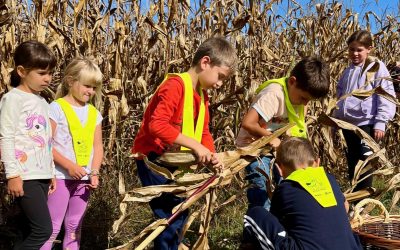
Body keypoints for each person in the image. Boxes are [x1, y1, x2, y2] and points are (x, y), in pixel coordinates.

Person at [131, 36, 237, 249]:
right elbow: (156, 125)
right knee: (169, 215)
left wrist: (210, 154)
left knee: (180, 211)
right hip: (153, 159)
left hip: (174, 163)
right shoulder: (175, 86)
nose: (219, 84)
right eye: (220, 77)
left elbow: (203, 131)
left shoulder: (202, 96)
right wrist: (195, 146)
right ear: (205, 62)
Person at [235, 57, 330, 209]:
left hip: (278, 148)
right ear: (292, 82)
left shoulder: (299, 99)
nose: (305, 104)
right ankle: (261, 221)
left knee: (287, 187)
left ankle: (282, 222)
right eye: (303, 98)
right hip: (254, 148)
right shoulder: (273, 95)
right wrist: (271, 139)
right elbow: (248, 123)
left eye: (309, 100)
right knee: (261, 186)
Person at [242, 137, 363, 250]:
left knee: (254, 213)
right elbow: (346, 207)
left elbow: (278, 222)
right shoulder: (329, 179)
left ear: (279, 169)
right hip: (350, 247)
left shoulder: (285, 188)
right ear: (317, 162)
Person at [41, 58, 104, 250]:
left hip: (83, 179)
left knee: (74, 226)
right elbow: (46, 143)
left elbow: (98, 147)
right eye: (86, 85)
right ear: (70, 82)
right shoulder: (56, 108)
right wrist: (69, 166)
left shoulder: (94, 113)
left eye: (94, 87)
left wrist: (94, 172)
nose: (90, 91)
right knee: (52, 227)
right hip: (59, 177)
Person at [0, 40, 57, 249]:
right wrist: (12, 175)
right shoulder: (13, 99)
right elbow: (6, 137)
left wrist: (50, 171)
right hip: (25, 175)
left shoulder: (42, 102)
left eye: (50, 73)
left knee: (27, 231)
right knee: (43, 230)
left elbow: (46, 142)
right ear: (22, 71)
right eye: (42, 73)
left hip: (40, 175)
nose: (48, 79)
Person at [334, 30, 396, 191]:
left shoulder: (376, 67)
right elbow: (340, 96)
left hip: (367, 124)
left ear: (369, 49)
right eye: (351, 49)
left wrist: (380, 122)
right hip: (348, 125)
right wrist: (336, 118)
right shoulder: (347, 72)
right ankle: (353, 200)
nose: (355, 53)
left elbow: (385, 94)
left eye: (359, 50)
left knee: (365, 163)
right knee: (353, 162)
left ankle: (363, 201)